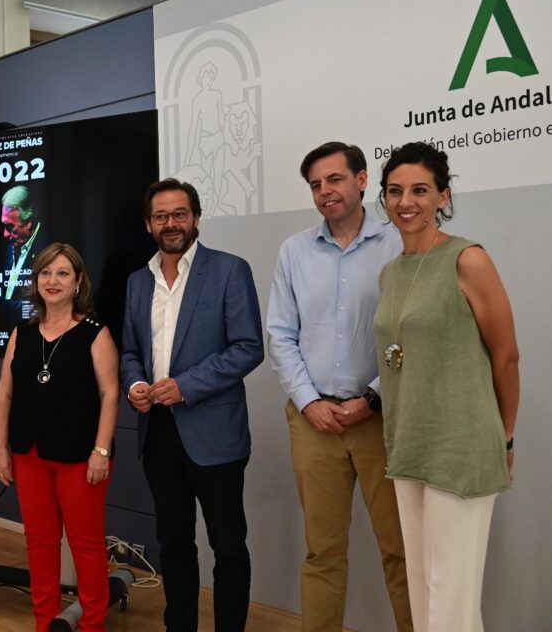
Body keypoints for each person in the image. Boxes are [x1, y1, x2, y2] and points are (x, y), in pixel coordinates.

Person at [267, 142, 411, 631]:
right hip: (315, 423)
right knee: (323, 552)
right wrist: (309, 402)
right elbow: (281, 335)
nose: (325, 191)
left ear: (362, 181)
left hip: (383, 420)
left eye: (334, 179)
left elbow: (412, 336)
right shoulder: (294, 251)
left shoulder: (398, 244)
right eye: (315, 184)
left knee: (402, 551)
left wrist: (373, 399)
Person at [373, 142, 518, 632]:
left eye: (419, 190)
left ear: (443, 196)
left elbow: (506, 356)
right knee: (423, 589)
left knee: (451, 599)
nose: (405, 201)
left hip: (461, 445)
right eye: (394, 191)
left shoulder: (467, 258)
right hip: (408, 444)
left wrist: (506, 437)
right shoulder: (389, 273)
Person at [121, 178, 264, 632]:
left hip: (214, 434)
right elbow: (129, 352)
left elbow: (248, 347)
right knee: (174, 544)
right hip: (158, 433)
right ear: (148, 225)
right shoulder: (136, 282)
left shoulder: (229, 270)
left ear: (196, 218)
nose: (171, 223)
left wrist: (186, 385)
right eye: (161, 216)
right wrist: (136, 384)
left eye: (180, 214)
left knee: (228, 547)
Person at [0, 242, 120, 632]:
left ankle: (93, 623)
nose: (53, 280)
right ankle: (44, 622)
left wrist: (101, 450)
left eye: (63, 273)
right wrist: (1, 448)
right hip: (29, 454)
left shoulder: (94, 333)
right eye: (46, 273)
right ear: (37, 280)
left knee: (86, 545)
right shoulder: (22, 332)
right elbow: (4, 393)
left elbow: (110, 393)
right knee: (40, 542)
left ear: (78, 281)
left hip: (81, 457)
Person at [0, 184, 45, 320]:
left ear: (28, 223)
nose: (5, 234)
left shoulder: (48, 252)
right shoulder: (13, 244)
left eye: (10, 227)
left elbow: (35, 309)